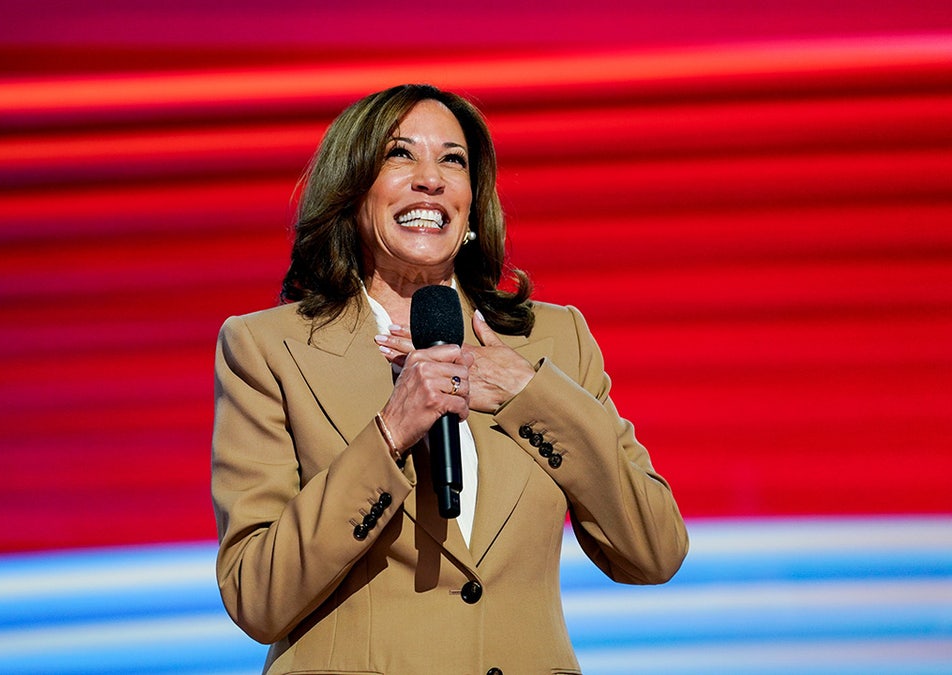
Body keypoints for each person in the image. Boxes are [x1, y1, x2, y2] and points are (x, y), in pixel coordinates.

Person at [211, 83, 688, 675]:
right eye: (399, 154)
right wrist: (389, 434)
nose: (430, 179)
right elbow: (257, 597)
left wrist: (527, 395)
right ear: (352, 190)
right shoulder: (266, 348)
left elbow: (655, 550)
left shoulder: (553, 341)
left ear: (471, 200)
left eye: (452, 160)